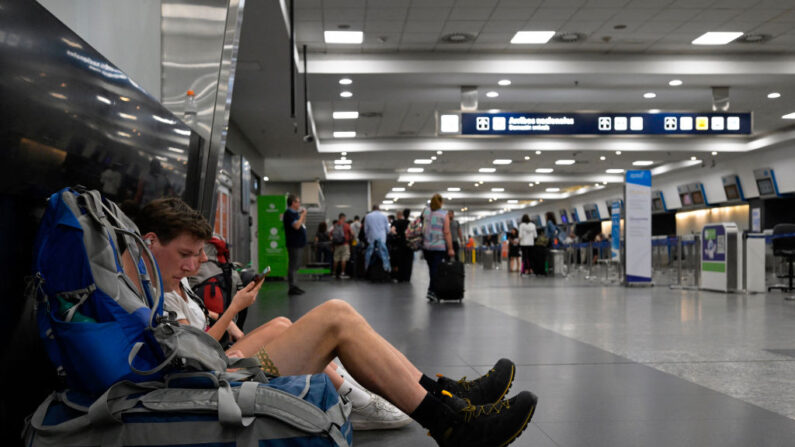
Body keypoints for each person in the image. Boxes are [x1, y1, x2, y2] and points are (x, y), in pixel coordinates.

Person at [131, 198, 538, 445]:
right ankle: (449, 421)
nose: (193, 264)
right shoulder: (145, 291)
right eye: (186, 253)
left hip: (219, 366)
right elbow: (175, 358)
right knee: (337, 318)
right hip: (213, 382)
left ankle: (448, 399)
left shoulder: (164, 282)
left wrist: (230, 324)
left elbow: (193, 340)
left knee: (295, 323)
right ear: (150, 242)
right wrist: (234, 312)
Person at [422, 194, 454, 301]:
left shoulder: (426, 212)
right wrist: (450, 248)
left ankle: (432, 291)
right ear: (441, 202)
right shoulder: (444, 214)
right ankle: (432, 291)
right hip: (438, 246)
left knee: (432, 269)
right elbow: (447, 232)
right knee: (436, 270)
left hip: (426, 246)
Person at [283, 194, 307, 296]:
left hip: (299, 243)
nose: (299, 204)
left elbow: (301, 224)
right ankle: (292, 287)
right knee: (293, 265)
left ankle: (295, 285)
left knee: (296, 265)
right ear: (293, 203)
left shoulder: (295, 213)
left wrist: (301, 216)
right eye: (298, 202)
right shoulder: (289, 214)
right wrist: (302, 215)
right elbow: (297, 226)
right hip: (294, 244)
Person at [363, 204, 391, 273]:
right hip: (382, 240)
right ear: (379, 208)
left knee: (370, 256)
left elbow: (366, 229)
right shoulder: (384, 216)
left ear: (373, 209)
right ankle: (385, 270)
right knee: (384, 256)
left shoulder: (368, 216)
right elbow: (387, 229)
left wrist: (366, 237)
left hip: (371, 240)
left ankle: (368, 269)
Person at [390, 208, 413, 282]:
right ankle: (407, 277)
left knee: (400, 261)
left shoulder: (397, 222)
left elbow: (392, 230)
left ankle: (400, 277)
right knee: (408, 262)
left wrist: (398, 235)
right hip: (409, 244)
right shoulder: (410, 223)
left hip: (400, 244)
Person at [331, 213, 352, 279]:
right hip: (345, 244)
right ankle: (342, 273)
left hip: (337, 245)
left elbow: (331, 234)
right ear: (343, 218)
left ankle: (334, 273)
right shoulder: (346, 225)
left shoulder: (336, 225)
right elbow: (352, 233)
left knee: (336, 259)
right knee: (344, 259)